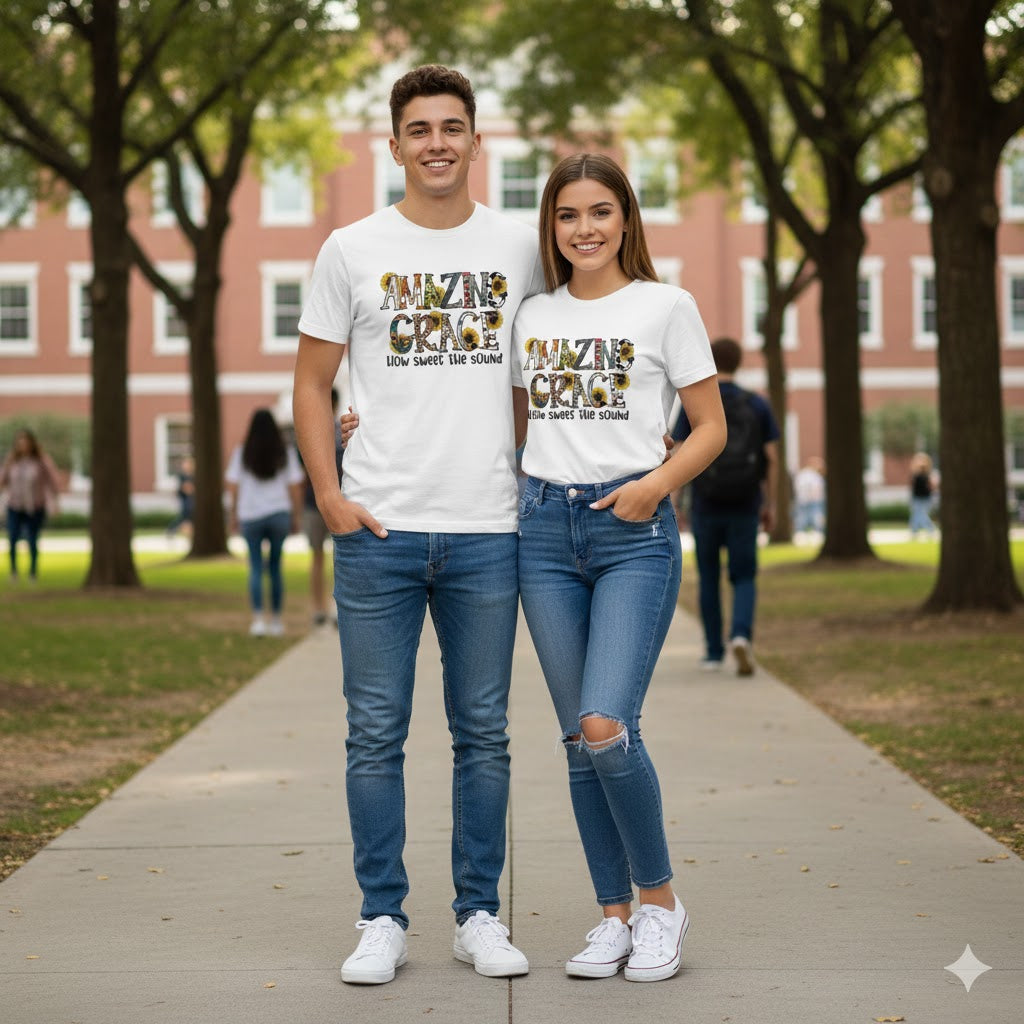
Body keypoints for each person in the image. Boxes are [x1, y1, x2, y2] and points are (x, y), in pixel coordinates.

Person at [291, 65, 544, 985]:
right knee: (375, 733)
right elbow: (311, 384)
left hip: (488, 530)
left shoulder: (522, 248)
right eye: (419, 129)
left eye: (453, 127)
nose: (437, 142)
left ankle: (478, 911)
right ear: (393, 146)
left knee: (484, 732)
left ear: (478, 142)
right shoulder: (350, 250)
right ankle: (380, 917)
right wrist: (329, 495)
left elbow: (540, 373)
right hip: (379, 532)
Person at [510, 153, 725, 982]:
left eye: (601, 212)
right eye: (568, 215)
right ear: (551, 227)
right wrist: (361, 426)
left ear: (627, 219)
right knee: (576, 741)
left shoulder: (666, 307)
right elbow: (500, 420)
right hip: (542, 529)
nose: (585, 229)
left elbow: (708, 427)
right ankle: (612, 916)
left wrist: (654, 487)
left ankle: (661, 905)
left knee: (606, 725)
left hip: (631, 531)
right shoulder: (529, 315)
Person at [673, 337, 779, 676]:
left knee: (708, 578)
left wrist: (675, 499)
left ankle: (714, 652)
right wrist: (769, 501)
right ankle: (741, 635)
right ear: (739, 362)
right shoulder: (757, 404)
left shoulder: (697, 403)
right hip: (746, 502)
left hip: (706, 501)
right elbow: (772, 458)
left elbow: (679, 451)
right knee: (744, 575)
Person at [224, 408, 304, 636]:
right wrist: (295, 516)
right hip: (279, 514)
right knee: (276, 568)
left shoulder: (242, 453)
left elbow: (233, 486)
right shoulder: (285, 453)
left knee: (256, 568)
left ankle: (258, 620)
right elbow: (295, 487)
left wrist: (233, 516)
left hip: (250, 515)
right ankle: (277, 621)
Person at [300, 387, 344, 626]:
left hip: (340, 502)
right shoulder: (310, 432)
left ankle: (336, 609)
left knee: (339, 558)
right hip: (313, 502)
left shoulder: (342, 431)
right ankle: (318, 608)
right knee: (317, 557)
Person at [1, 428, 61, 583]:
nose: (23, 445)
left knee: (32, 540)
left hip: (35, 506)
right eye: (20, 442)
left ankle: (33, 572)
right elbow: (2, 481)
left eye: (26, 442)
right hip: (14, 505)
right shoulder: (12, 461)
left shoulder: (41, 461)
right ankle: (13, 572)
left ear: (32, 444)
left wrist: (55, 502)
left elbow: (53, 482)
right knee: (12, 538)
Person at [793, 456, 825, 536]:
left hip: (801, 500)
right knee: (816, 518)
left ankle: (800, 533)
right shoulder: (815, 476)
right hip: (813, 500)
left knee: (801, 518)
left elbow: (796, 487)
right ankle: (816, 532)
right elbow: (817, 489)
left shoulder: (801, 474)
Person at [908, 451, 937, 539]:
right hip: (917, 497)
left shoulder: (927, 475)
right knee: (916, 514)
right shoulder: (915, 475)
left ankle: (929, 528)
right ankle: (914, 530)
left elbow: (931, 486)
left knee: (921, 514)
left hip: (925, 498)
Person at [166, 454, 195, 538]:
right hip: (185, 499)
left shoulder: (193, 476)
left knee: (188, 516)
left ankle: (187, 532)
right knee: (184, 516)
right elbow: (183, 488)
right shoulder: (182, 476)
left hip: (192, 499)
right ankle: (171, 530)